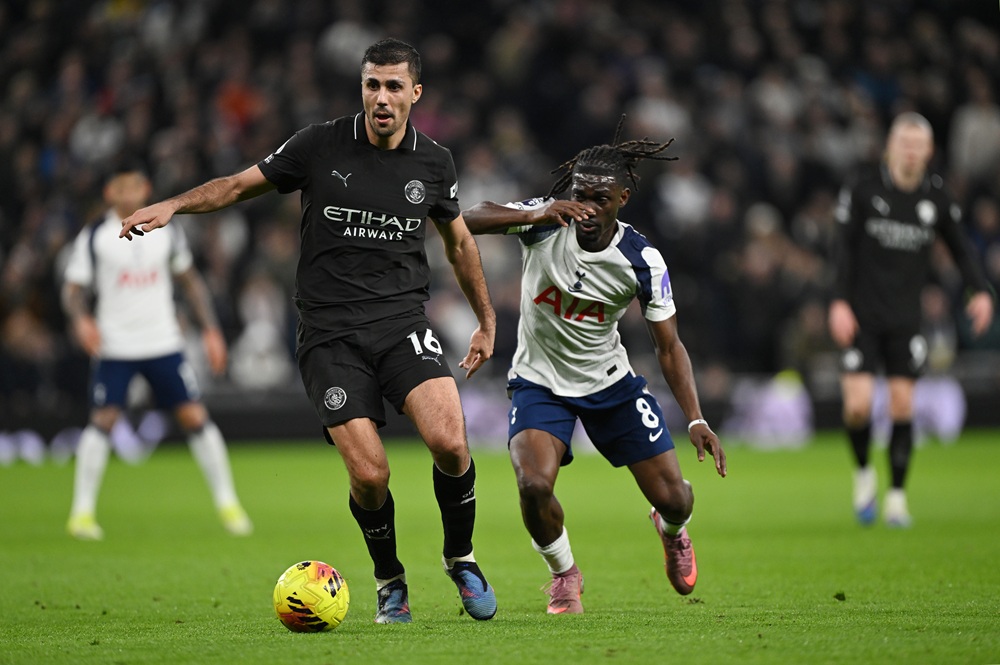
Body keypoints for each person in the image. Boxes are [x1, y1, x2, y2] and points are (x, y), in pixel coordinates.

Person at [119, 39, 497, 623]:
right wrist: (173, 205)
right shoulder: (319, 144)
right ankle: (389, 578)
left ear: (415, 94)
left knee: (450, 441)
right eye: (372, 84)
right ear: (362, 88)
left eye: (394, 86)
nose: (381, 97)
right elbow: (239, 185)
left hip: (402, 323)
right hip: (329, 334)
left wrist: (485, 320)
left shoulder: (434, 162)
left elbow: (459, 243)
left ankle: (461, 557)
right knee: (371, 475)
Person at [462, 117, 727, 615]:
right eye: (581, 194)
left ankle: (671, 531)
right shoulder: (545, 224)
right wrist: (541, 211)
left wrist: (695, 417)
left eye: (600, 199)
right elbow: (467, 218)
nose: (586, 208)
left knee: (677, 500)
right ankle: (564, 575)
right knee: (532, 485)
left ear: (622, 199)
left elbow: (669, 347)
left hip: (610, 384)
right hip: (539, 382)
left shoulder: (642, 259)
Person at [62, 167, 253, 540]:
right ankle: (81, 513)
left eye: (134, 186)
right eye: (121, 187)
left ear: (145, 188)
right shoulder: (95, 237)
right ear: (109, 191)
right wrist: (80, 320)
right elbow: (73, 289)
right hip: (115, 345)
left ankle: (229, 504)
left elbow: (190, 281)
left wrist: (211, 330)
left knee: (195, 418)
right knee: (102, 421)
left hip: (163, 342)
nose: (128, 194)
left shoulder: (166, 230)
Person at [828, 111, 995, 528]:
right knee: (857, 408)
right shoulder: (864, 190)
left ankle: (897, 499)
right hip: (862, 315)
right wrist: (838, 302)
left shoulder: (936, 198)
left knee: (903, 406)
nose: (910, 150)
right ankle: (865, 473)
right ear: (890, 145)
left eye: (918, 144)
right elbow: (842, 251)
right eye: (904, 141)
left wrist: (981, 292)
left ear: (929, 151)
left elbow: (962, 250)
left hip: (905, 319)